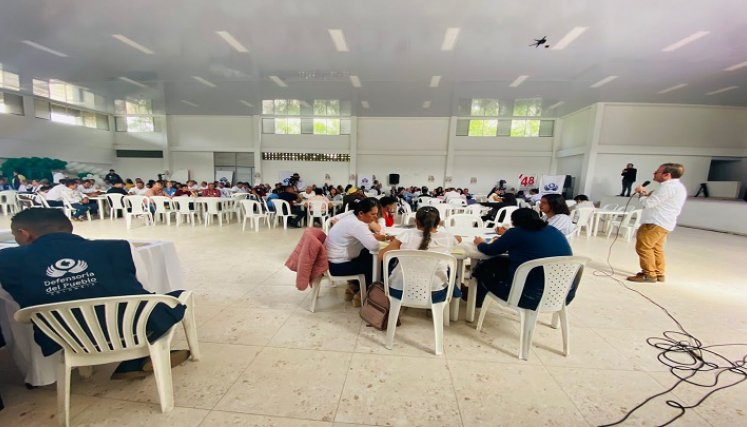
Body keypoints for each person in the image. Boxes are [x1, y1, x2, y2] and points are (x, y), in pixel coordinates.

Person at [0, 208, 190, 381]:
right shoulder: (119, 248)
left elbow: (12, 301)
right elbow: (142, 289)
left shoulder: (6, 261)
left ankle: (45, 375)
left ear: (23, 233)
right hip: (126, 328)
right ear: (70, 227)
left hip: (62, 336)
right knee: (171, 300)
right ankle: (136, 359)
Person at [471, 208, 573, 307]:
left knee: (485, 267)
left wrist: (480, 243)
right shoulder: (554, 230)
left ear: (515, 221)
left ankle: (475, 299)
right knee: (499, 262)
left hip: (528, 297)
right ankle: (475, 297)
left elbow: (490, 250)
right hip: (563, 295)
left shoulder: (516, 232)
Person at [379, 206, 462, 302]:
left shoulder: (405, 235)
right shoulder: (448, 238)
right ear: (438, 221)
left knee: (394, 265)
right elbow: (459, 238)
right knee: (448, 269)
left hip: (399, 290)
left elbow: (381, 256)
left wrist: (395, 243)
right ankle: (455, 293)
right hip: (435, 294)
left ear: (416, 221)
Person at [627, 163, 687, 283]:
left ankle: (649, 274)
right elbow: (657, 201)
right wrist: (646, 194)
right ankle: (659, 273)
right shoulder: (677, 187)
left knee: (644, 247)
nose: (654, 173)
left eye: (657, 172)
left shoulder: (667, 187)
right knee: (656, 249)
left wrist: (640, 194)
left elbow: (648, 204)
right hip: (664, 223)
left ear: (667, 175)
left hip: (655, 222)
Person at [326, 198, 391, 304]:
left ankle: (354, 288)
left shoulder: (351, 215)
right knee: (378, 262)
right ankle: (367, 295)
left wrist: (372, 235)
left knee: (367, 255)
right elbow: (374, 246)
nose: (375, 217)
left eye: (377, 214)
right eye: (373, 214)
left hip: (333, 261)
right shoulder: (358, 224)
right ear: (361, 213)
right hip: (338, 266)